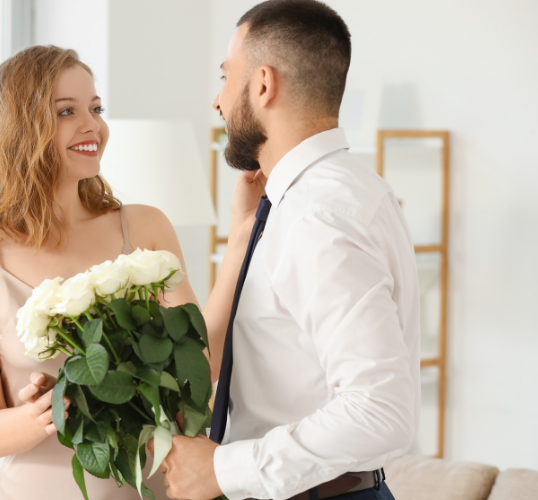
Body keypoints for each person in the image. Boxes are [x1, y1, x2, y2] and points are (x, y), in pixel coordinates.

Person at [157, 1, 420, 500]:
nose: (217, 101)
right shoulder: (338, 192)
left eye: (225, 77)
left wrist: (224, 470)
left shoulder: (318, 214)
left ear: (262, 84)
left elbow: (381, 408)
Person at [0, 45, 201, 500]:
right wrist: (47, 409)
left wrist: (239, 242)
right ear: (20, 129)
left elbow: (200, 365)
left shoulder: (146, 226)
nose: (92, 125)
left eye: (96, 108)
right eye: (66, 111)